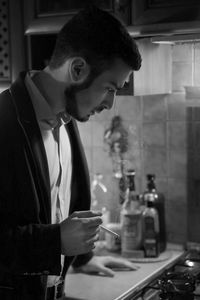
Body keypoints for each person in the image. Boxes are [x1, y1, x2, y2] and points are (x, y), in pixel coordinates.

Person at [0, 5, 141, 300]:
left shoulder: (68, 115)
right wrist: (56, 242)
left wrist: (83, 259)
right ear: (77, 69)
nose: (110, 104)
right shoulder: (4, 121)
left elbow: (55, 208)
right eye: (109, 88)